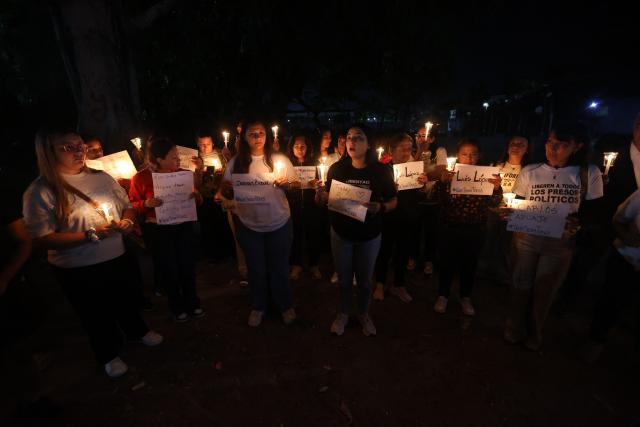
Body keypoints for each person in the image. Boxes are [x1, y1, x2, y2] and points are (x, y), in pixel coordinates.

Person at [22, 130, 162, 378]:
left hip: (116, 255)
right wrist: (89, 234)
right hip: (77, 267)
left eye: (80, 146)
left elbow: (126, 207)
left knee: (126, 299)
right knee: (94, 312)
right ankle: (107, 354)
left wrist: (128, 222)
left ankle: (136, 331)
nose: (78, 152)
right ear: (48, 152)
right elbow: (43, 238)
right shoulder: (40, 191)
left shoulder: (102, 177)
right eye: (67, 147)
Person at [504, 123, 603, 351]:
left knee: (544, 290)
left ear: (577, 146)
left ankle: (535, 334)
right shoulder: (530, 171)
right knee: (520, 285)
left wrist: (579, 223)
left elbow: (594, 212)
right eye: (550, 142)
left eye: (561, 144)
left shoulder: (589, 174)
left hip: (559, 243)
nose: (553, 148)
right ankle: (513, 329)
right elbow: (518, 202)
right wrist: (510, 213)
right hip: (526, 237)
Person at [316, 125, 397, 336]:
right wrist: (320, 196)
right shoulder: (336, 169)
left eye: (358, 138)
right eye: (349, 137)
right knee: (344, 280)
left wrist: (381, 207)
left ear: (369, 143)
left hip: (369, 236)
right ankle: (343, 314)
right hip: (341, 235)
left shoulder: (381, 171)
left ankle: (363, 314)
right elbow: (328, 198)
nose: (352, 142)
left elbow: (393, 200)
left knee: (364, 282)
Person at [219, 120, 298, 327]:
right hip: (249, 225)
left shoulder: (279, 159)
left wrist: (287, 185)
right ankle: (258, 307)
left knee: (280, 268)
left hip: (279, 222)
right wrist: (227, 190)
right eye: (252, 133)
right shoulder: (236, 163)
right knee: (256, 269)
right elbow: (226, 188)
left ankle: (285, 305)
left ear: (267, 136)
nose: (257, 136)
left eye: (261, 132)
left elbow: (296, 185)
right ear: (244, 137)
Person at [129, 137, 204, 323]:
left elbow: (198, 201)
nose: (178, 160)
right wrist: (146, 203)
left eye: (177, 156)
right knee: (169, 269)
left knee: (187, 265)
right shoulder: (141, 177)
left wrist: (196, 196)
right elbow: (131, 204)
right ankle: (177, 307)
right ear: (159, 159)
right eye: (173, 157)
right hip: (158, 229)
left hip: (183, 225)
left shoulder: (182, 175)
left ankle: (193, 303)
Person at [433, 138, 502, 316]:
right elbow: (439, 201)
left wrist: (496, 188)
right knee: (447, 262)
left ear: (479, 156)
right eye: (464, 154)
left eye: (473, 154)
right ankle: (443, 295)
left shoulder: (486, 176)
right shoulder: (451, 174)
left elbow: (494, 203)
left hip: (475, 228)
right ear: (458, 156)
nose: (469, 158)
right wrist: (442, 182)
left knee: (469, 265)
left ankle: (465, 296)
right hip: (450, 226)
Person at [585, 189, 640, 362]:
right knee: (611, 301)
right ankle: (595, 342)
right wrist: (628, 238)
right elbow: (618, 219)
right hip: (628, 258)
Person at [373, 133, 427, 303]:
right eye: (401, 148)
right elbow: (375, 194)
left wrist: (423, 184)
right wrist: (387, 190)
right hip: (388, 217)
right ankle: (380, 284)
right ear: (392, 149)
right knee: (384, 251)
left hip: (408, 216)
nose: (406, 152)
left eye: (409, 148)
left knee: (403, 252)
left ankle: (399, 285)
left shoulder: (414, 167)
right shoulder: (383, 168)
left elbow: (421, 193)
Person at [478, 136, 530, 285]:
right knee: (488, 241)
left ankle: (504, 275)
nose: (516, 146)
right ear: (507, 147)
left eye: (522, 144)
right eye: (513, 143)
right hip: (494, 211)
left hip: (515, 213)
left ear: (527, 150)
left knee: (509, 246)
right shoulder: (496, 166)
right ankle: (483, 270)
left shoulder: (528, 170)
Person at [286, 133, 323, 280]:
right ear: (292, 148)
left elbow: (321, 184)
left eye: (303, 146)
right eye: (296, 146)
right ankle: (296, 265)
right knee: (294, 236)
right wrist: (290, 185)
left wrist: (316, 185)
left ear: (308, 148)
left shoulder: (315, 164)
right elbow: (281, 185)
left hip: (311, 206)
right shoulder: (287, 165)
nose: (299, 149)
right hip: (293, 207)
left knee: (313, 235)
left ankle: (314, 265)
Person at [411, 125, 448, 276]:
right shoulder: (412, 152)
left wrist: (427, 177)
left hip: (433, 198)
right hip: (416, 198)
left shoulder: (440, 151)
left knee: (431, 232)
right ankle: (412, 257)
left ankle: (429, 260)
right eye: (418, 136)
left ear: (432, 138)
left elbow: (441, 171)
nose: (421, 139)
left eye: (424, 136)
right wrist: (420, 151)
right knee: (414, 230)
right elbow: (411, 169)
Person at [192, 131, 234, 263]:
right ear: (197, 144)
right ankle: (210, 255)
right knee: (207, 226)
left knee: (223, 224)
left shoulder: (221, 154)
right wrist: (198, 169)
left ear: (213, 143)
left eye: (208, 144)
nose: (205, 147)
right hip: (204, 197)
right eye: (202, 144)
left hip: (221, 195)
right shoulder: (194, 158)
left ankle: (226, 253)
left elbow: (230, 172)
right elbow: (193, 181)